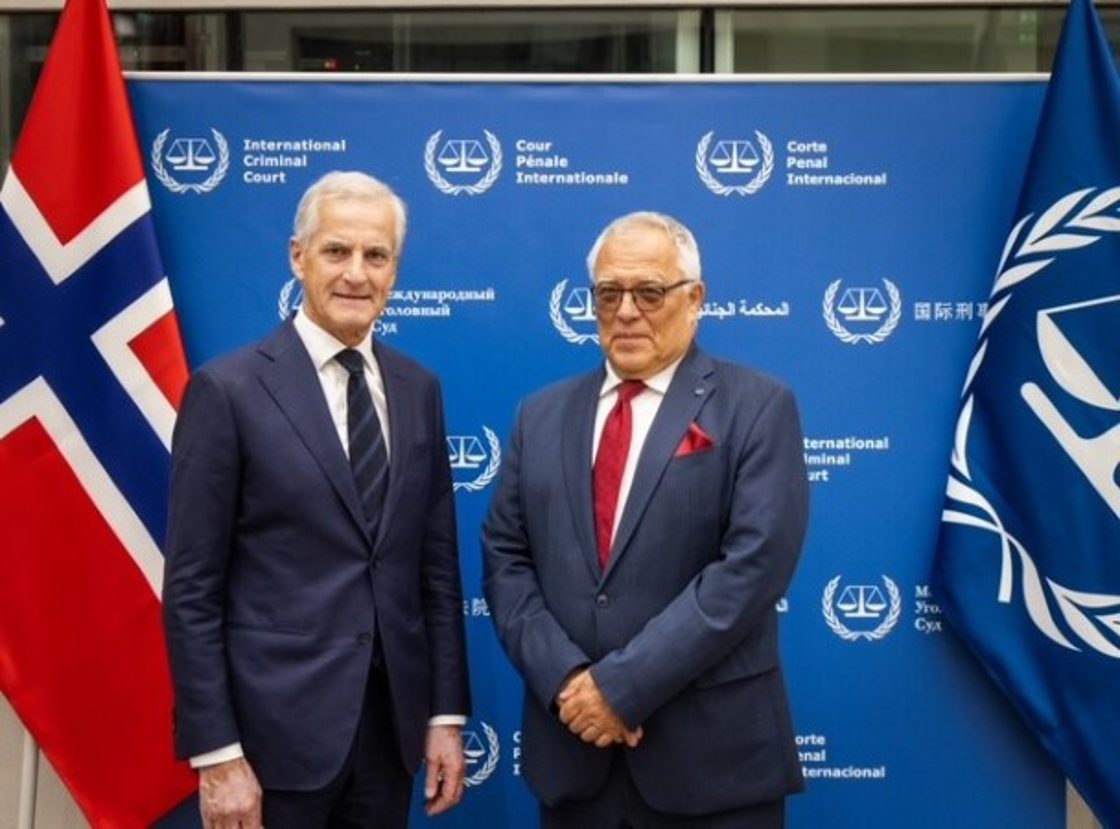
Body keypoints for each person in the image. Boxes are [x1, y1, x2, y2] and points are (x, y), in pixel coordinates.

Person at [163, 171, 470, 829]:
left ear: (395, 270)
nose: (357, 273)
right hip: (269, 746)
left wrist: (444, 714)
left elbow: (436, 569)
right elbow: (192, 587)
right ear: (298, 257)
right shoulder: (228, 391)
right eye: (337, 251)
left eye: (376, 255)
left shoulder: (419, 389)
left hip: (389, 739)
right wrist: (217, 753)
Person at [483, 211, 809, 828]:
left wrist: (621, 688)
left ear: (695, 299)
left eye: (649, 292)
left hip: (712, 772)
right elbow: (506, 559)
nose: (627, 311)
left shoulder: (759, 407)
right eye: (609, 293)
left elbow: (753, 568)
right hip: (575, 762)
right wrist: (568, 682)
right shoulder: (539, 415)